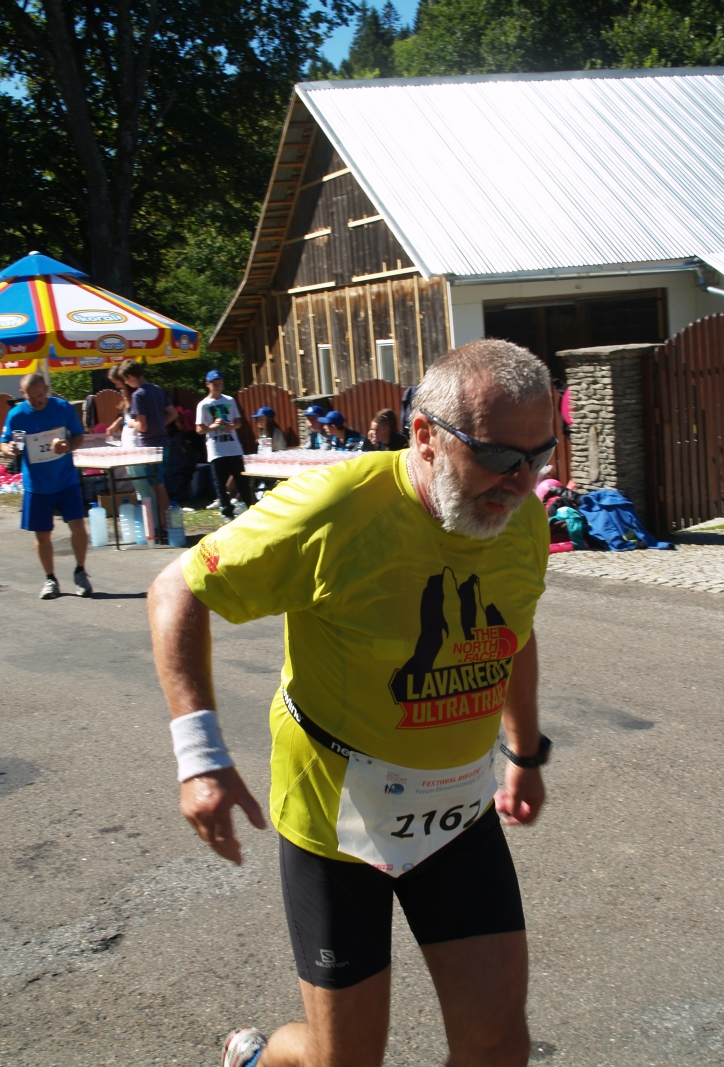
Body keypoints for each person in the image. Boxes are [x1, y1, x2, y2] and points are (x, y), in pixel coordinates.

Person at [149, 338, 559, 1067]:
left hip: (457, 812)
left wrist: (524, 755)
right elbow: (176, 588)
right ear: (424, 435)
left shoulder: (518, 514)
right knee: (344, 1060)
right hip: (339, 820)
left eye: (539, 454)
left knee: (499, 1046)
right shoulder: (336, 508)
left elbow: (512, 634)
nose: (521, 480)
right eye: (499, 455)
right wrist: (200, 758)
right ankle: (259, 1058)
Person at [0, 372, 92, 599]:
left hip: (66, 480)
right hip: (37, 484)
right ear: (22, 394)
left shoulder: (62, 407)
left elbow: (79, 436)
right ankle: (50, 579)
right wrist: (8, 449)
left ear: (47, 389)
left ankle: (80, 572)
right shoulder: (16, 415)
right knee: (43, 535)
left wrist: (68, 446)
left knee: (78, 527)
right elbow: (5, 442)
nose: (37, 401)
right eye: (31, 397)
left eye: (40, 395)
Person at [120, 359, 177, 530]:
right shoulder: (157, 389)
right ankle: (165, 524)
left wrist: (130, 423)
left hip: (149, 447)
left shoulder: (138, 395)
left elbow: (142, 426)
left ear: (131, 376)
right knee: (160, 485)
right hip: (163, 443)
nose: (126, 383)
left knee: (157, 487)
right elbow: (173, 413)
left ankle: (166, 526)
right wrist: (159, 424)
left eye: (125, 380)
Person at [195, 370, 251, 520]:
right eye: (215, 384)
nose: (218, 387)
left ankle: (251, 507)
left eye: (220, 384)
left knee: (242, 480)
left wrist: (232, 426)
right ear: (208, 385)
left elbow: (239, 422)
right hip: (216, 449)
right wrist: (212, 426)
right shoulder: (203, 405)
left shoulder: (230, 400)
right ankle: (227, 512)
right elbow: (199, 429)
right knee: (219, 483)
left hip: (233, 447)